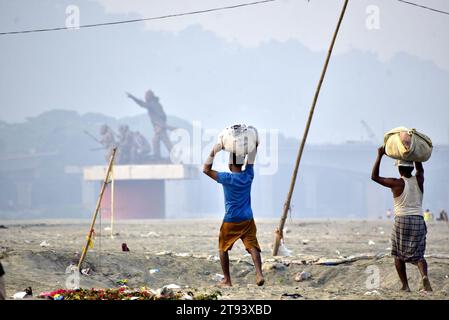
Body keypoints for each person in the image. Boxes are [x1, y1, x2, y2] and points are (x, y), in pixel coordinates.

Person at [203, 142, 264, 287]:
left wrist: (214, 151)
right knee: (252, 246)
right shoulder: (248, 175)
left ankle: (227, 280)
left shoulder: (227, 178)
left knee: (223, 247)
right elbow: (252, 160)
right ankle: (259, 273)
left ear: (230, 164)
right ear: (242, 164)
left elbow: (206, 169)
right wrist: (253, 145)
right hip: (248, 218)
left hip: (231, 219)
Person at [371, 146, 432, 292]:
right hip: (418, 219)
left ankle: (405, 286)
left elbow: (374, 177)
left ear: (399, 169)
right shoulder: (419, 180)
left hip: (402, 221)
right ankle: (424, 276)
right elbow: (420, 169)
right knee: (419, 254)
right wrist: (414, 153)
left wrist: (379, 155)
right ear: (411, 168)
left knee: (397, 254)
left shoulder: (396, 183)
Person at [127, 90, 175, 159]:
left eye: (146, 96)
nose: (145, 97)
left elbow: (142, 104)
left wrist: (132, 97)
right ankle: (157, 155)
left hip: (159, 126)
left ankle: (172, 155)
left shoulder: (153, 104)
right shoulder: (155, 104)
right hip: (158, 126)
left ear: (150, 96)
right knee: (155, 140)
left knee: (165, 141)